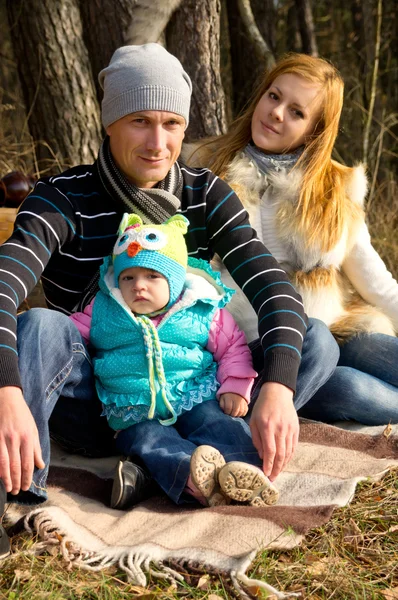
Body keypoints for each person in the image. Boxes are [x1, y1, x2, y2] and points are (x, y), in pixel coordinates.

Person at [0, 44, 339, 552]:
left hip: (196, 389)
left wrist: (278, 390)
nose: (158, 143)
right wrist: (6, 390)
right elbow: (6, 280)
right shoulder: (62, 196)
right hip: (101, 396)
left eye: (171, 123)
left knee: (315, 342)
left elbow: (273, 286)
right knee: (40, 325)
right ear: (110, 121)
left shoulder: (206, 195)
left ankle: (179, 460)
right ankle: (21, 494)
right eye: (139, 120)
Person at [186, 52, 398, 425]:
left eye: (297, 112)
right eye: (273, 96)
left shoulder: (335, 190)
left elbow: (378, 285)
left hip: (334, 334)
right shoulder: (207, 171)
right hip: (253, 347)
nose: (276, 112)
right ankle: (251, 416)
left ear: (315, 131)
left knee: (380, 351)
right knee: (351, 388)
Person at [70, 212, 280, 508]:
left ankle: (245, 471)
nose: (138, 286)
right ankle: (196, 480)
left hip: (194, 394)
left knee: (218, 423)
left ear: (175, 279)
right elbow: (68, 337)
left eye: (152, 276)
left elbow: (232, 346)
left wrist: (234, 385)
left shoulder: (199, 309)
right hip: (133, 410)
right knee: (151, 443)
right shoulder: (104, 311)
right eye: (128, 277)